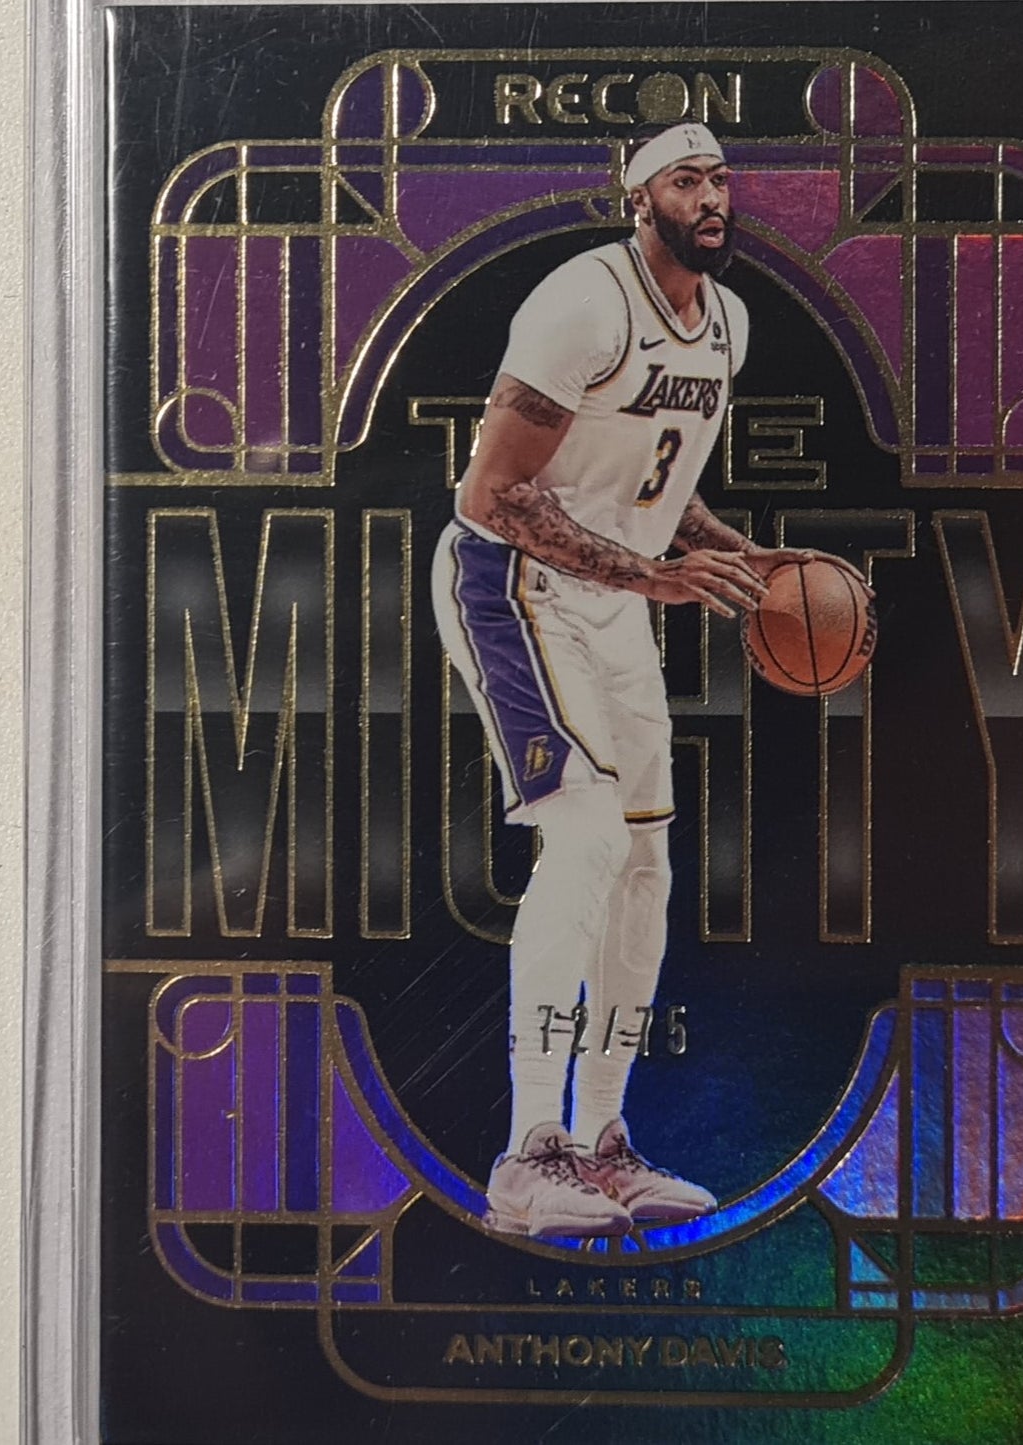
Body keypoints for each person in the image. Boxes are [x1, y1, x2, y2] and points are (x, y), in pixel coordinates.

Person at [431, 122, 815, 1238]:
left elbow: (653, 480)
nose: (712, 196)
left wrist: (732, 551)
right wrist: (652, 575)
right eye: (686, 180)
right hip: (509, 584)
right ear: (638, 199)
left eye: (721, 179)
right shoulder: (582, 304)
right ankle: (526, 1152)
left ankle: (603, 1141)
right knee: (587, 833)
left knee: (645, 860)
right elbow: (492, 492)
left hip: (610, 597)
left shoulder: (726, 322)